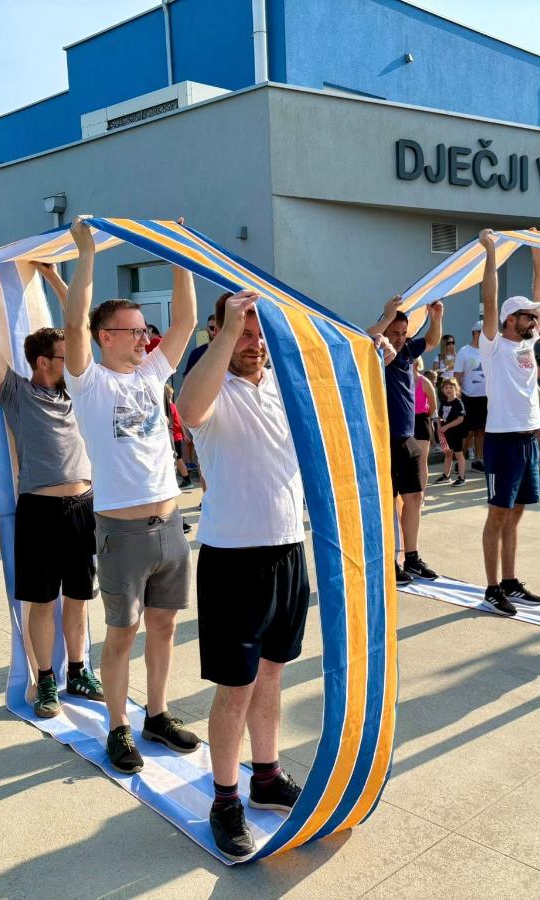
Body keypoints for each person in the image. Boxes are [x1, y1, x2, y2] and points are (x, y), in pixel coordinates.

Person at [62, 215, 198, 772]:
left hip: (170, 526)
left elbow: (186, 322)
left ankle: (156, 715)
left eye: (145, 330)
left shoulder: (150, 375)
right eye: (135, 331)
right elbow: (73, 324)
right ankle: (118, 726)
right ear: (106, 336)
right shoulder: (90, 382)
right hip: (121, 532)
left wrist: (181, 253)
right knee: (124, 632)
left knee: (164, 626)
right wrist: (87, 254)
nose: (146, 338)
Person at [176, 290, 307, 861]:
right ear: (217, 330)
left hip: (288, 550)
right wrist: (230, 328)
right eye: (242, 332)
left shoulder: (284, 384)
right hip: (233, 558)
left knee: (272, 675)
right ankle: (225, 798)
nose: (254, 344)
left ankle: (266, 775)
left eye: (258, 333)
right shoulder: (211, 386)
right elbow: (188, 410)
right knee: (237, 686)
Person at [0, 253, 105, 722]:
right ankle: (45, 679)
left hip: (84, 507)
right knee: (41, 601)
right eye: (62, 355)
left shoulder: (78, 389)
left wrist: (55, 279)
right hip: (40, 510)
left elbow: (82, 328)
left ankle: (78, 670)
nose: (73, 358)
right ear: (42, 361)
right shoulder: (16, 390)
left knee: (79, 597)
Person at [476, 228, 540, 616]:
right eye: (527, 315)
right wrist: (491, 251)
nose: (534, 319)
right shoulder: (493, 345)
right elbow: (489, 298)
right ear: (509, 319)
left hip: (527, 439)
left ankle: (509, 581)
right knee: (498, 513)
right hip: (502, 441)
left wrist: (538, 250)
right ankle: (491, 589)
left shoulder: (527, 343)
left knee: (516, 512)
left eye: (534, 316)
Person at [366, 295, 443, 584]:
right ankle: (389, 561)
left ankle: (411, 558)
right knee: (388, 502)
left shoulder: (409, 351)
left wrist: (436, 318)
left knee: (415, 498)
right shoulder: (375, 352)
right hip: (384, 441)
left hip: (408, 438)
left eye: (402, 333)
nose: (398, 339)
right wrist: (387, 316)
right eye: (394, 333)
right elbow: (363, 336)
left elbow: (432, 340)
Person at [454, 321, 487, 472]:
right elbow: (457, 377)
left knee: (481, 431)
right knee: (467, 432)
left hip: (485, 397)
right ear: (476, 333)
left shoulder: (489, 351)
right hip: (468, 397)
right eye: (484, 333)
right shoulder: (464, 352)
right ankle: (460, 460)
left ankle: (478, 461)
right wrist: (458, 397)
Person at [434, 378, 467, 484]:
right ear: (442, 390)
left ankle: (462, 478)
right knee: (448, 454)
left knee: (458, 454)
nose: (448, 389)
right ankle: (446, 476)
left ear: (456, 389)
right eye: (446, 387)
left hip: (456, 433)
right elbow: (440, 417)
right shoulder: (443, 402)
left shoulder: (458, 403)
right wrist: (439, 427)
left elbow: (460, 419)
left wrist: (447, 426)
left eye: (451, 387)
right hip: (445, 434)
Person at [412, 358, 437, 489]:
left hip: (421, 421)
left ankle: (421, 494)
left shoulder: (425, 382)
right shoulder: (402, 380)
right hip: (406, 422)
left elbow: (433, 406)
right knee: (408, 462)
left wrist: (427, 418)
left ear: (416, 363)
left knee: (422, 462)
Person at [183, 310, 225, 377]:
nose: (215, 331)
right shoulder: (196, 353)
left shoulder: (229, 353)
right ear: (207, 329)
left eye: (218, 328)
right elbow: (187, 377)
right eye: (212, 328)